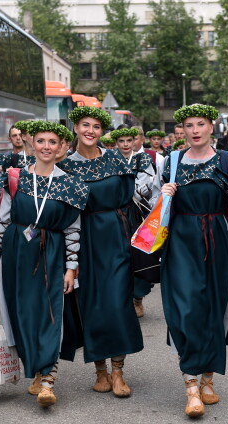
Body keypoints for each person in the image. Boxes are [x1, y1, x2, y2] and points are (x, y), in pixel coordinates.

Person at [152, 104, 228, 418]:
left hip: (218, 240)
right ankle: (190, 385)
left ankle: (208, 377)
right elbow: (154, 211)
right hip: (180, 243)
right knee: (185, 311)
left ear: (212, 127)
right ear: (182, 130)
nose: (195, 130)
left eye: (201, 124)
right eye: (188, 125)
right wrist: (163, 195)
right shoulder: (171, 162)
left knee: (214, 310)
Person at [0, 121, 88, 408]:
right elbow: (3, 221)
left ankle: (49, 377)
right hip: (17, 252)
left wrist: (71, 266)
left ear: (62, 147)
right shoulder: (14, 178)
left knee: (50, 311)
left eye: (52, 142)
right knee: (23, 312)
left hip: (51, 253)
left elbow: (73, 230)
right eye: (41, 141)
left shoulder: (71, 184)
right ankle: (37, 369)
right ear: (32, 143)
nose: (46, 147)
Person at [57, 107, 151, 398]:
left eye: (96, 126)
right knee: (91, 304)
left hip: (115, 237)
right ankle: (100, 370)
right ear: (75, 127)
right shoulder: (65, 167)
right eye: (85, 124)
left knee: (118, 303)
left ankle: (119, 370)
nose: (90, 130)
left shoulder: (115, 159)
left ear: (102, 132)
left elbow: (129, 199)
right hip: (82, 239)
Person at [110, 126, 156, 318]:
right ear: (116, 143)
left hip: (137, 213)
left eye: (129, 140)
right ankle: (121, 298)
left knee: (139, 254)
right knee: (118, 255)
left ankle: (138, 298)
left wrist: (130, 189)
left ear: (135, 141)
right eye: (122, 141)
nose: (126, 145)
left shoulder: (143, 158)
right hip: (117, 212)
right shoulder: (110, 158)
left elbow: (150, 185)